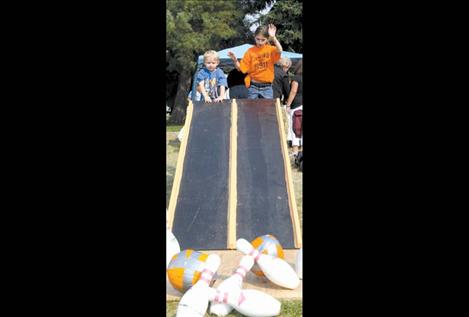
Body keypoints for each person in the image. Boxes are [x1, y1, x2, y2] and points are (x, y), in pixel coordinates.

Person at [227, 24, 282, 99]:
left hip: (267, 88)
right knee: (251, 109)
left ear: (267, 39)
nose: (260, 42)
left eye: (263, 40)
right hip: (253, 87)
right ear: (254, 37)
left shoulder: (270, 49)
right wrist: (235, 60)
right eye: (258, 39)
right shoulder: (250, 51)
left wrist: (274, 38)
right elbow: (240, 68)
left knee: (267, 110)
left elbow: (280, 51)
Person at [285, 60, 303, 157]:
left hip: (297, 105)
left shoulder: (296, 78)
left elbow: (293, 91)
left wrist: (288, 105)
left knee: (295, 128)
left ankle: (295, 151)